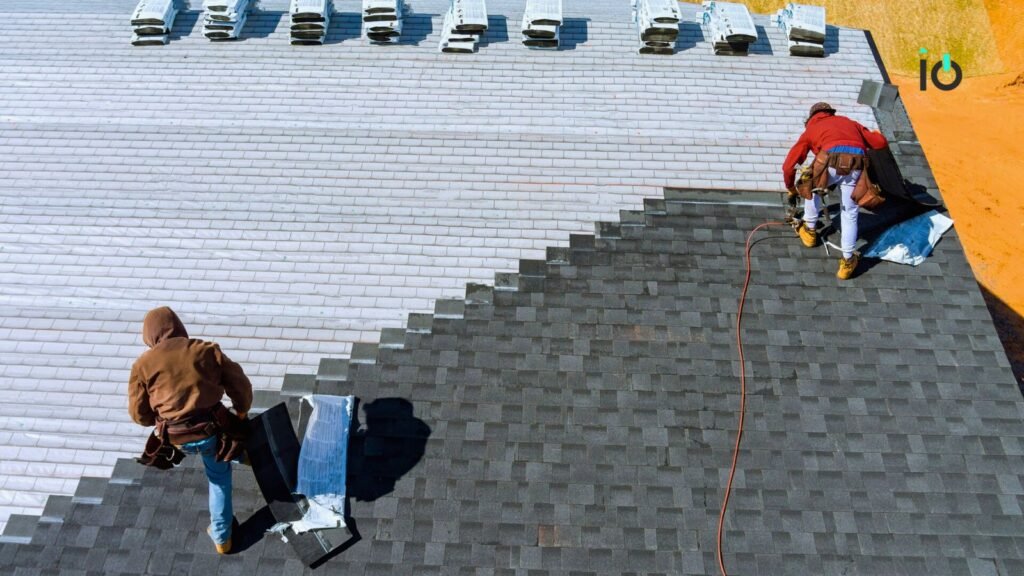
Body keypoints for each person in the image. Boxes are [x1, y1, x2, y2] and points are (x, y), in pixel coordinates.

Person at [128, 306, 252, 554]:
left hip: (176, 439)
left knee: (217, 454)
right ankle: (222, 538)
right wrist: (241, 412)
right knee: (219, 476)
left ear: (150, 335)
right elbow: (240, 386)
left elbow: (139, 415)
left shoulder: (142, 366)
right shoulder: (205, 350)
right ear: (178, 327)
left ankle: (243, 455)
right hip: (212, 431)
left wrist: (165, 418)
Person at [782, 102, 889, 280]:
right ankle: (847, 261)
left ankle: (809, 231)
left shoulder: (811, 129)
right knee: (850, 212)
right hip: (856, 165)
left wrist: (792, 188)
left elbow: (788, 167)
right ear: (830, 113)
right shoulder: (849, 122)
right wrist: (875, 133)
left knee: (811, 187)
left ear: (811, 118)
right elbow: (879, 143)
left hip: (828, 162)